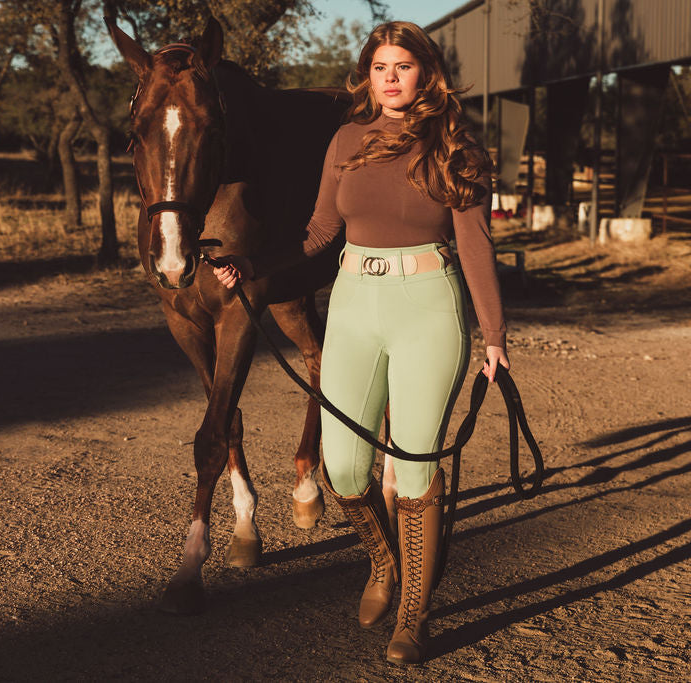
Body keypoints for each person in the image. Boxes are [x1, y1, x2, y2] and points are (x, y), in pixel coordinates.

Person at [214, 21, 509, 665]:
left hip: (430, 306)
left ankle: (414, 611)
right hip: (353, 303)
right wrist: (253, 266)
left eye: (404, 66)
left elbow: (476, 246)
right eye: (381, 67)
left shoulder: (455, 146)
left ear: (425, 74)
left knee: (418, 464)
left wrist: (494, 336)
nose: (392, 78)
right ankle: (382, 561)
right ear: (367, 75)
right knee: (344, 472)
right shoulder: (346, 139)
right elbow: (319, 233)